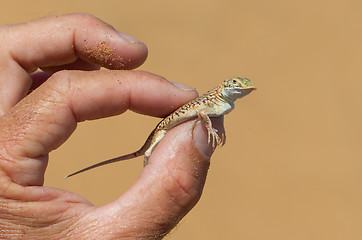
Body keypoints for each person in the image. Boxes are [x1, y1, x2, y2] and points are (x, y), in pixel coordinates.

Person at [0, 13, 223, 239]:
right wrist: (209, 129)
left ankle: (146, 155)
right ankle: (147, 156)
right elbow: (203, 114)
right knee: (150, 147)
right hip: (164, 127)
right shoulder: (211, 102)